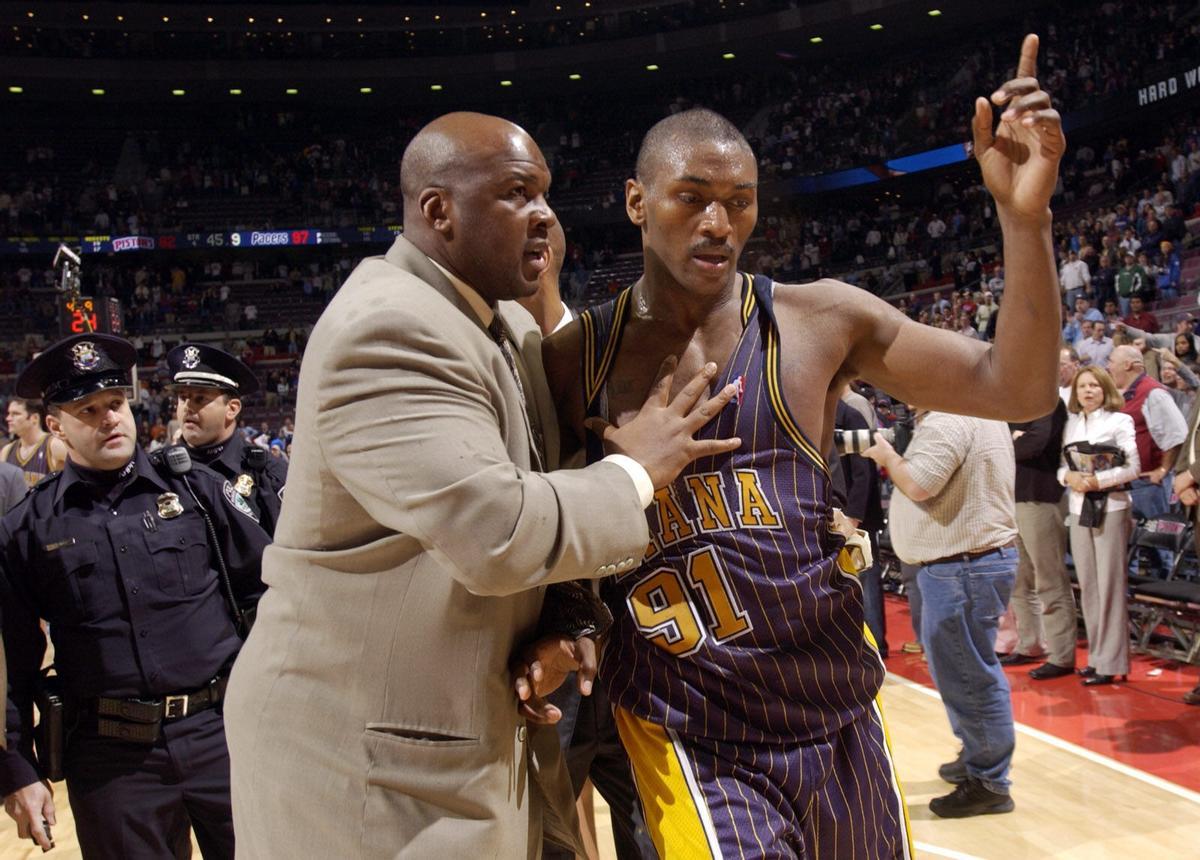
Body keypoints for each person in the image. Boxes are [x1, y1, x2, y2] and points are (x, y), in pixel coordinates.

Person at [537, 34, 1062, 853]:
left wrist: (1023, 219)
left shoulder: (818, 320)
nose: (719, 223)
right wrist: (565, 619)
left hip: (834, 703)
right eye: (692, 197)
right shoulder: (576, 360)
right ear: (637, 202)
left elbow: (1017, 388)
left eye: (740, 201)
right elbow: (540, 520)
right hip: (687, 722)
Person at [222, 112, 739, 859]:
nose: (546, 217)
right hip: (362, 753)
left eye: (547, 194)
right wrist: (635, 469)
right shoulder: (388, 328)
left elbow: (536, 490)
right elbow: (495, 531)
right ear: (439, 211)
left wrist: (567, 619)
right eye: (519, 194)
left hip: (454, 729)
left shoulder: (496, 324)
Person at [0, 333, 271, 857]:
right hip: (112, 761)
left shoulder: (199, 490)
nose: (110, 419)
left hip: (223, 735)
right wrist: (17, 766)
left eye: (116, 403)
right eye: (88, 409)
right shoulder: (27, 528)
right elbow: (13, 660)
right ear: (56, 425)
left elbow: (270, 593)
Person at [864, 410, 1018, 817]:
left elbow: (918, 485)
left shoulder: (949, 418)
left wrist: (887, 457)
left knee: (970, 676)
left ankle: (989, 780)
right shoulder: (977, 412)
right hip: (968, 564)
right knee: (965, 672)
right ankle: (978, 756)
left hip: (962, 567)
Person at [1059, 366, 1139, 685]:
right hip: (1079, 508)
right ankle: (1096, 657)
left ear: (1105, 388)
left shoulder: (1121, 421)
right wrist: (1070, 477)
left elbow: (1134, 467)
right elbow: (1059, 469)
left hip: (1112, 506)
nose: (1088, 391)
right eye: (1082, 387)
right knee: (1089, 585)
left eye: (1093, 385)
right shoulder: (1072, 423)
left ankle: (1112, 661)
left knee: (1110, 585)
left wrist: (1098, 479)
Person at [167, 343, 289, 536]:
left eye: (200, 399)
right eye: (183, 397)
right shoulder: (156, 473)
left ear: (232, 409)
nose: (187, 407)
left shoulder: (268, 475)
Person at [1003, 402, 1078, 680]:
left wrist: (1013, 441)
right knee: (1019, 580)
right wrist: (1014, 439)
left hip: (1041, 497)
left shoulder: (1047, 403)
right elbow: (1004, 441)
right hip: (1012, 498)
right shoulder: (1010, 406)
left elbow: (1035, 444)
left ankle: (1061, 655)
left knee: (1049, 578)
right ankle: (1030, 643)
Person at [1106, 344, 1187, 545]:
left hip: (1148, 484)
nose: (1108, 367)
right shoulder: (1122, 394)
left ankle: (1165, 576)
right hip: (1125, 481)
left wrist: (1162, 469)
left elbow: (1177, 435)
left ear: (1128, 365)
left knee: (1157, 546)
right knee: (1128, 544)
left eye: (1112, 362)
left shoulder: (1154, 393)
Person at [2, 399, 67, 487]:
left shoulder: (54, 445)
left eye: (15, 414)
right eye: (9, 413)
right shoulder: (7, 450)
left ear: (34, 418)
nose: (8, 418)